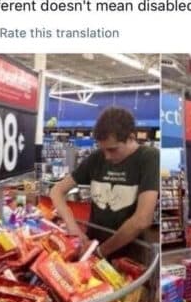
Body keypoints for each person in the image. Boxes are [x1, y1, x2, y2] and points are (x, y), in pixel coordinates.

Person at [50, 107, 159, 258]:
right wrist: (72, 227)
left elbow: (142, 219)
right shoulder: (97, 158)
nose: (107, 156)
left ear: (131, 137)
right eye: (103, 149)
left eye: (113, 149)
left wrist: (101, 251)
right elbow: (57, 190)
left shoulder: (149, 158)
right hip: (92, 248)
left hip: (129, 256)